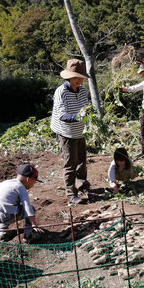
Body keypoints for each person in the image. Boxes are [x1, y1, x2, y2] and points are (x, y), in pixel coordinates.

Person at [50, 59, 91, 204]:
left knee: (82, 161)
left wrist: (89, 118)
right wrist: (78, 117)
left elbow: (86, 107)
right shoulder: (61, 92)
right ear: (69, 77)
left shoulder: (83, 90)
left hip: (80, 131)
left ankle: (82, 185)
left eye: (82, 78)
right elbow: (62, 116)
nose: (80, 80)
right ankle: (70, 194)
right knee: (70, 163)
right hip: (66, 132)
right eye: (77, 78)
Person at [0, 164, 44, 243]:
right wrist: (34, 224)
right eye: (34, 181)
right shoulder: (20, 187)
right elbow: (27, 207)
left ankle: (2, 233)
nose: (34, 184)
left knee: (8, 207)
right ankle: (29, 234)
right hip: (7, 216)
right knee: (31, 209)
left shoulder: (6, 182)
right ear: (28, 179)